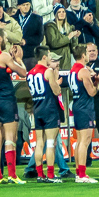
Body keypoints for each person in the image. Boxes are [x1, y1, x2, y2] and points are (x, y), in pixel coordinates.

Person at [0, 29, 28, 184]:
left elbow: (2, 69)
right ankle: (12, 174)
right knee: (11, 137)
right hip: (7, 99)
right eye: (5, 38)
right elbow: (23, 73)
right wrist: (17, 58)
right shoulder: (2, 56)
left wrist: (10, 58)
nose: (6, 40)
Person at [26, 46, 63, 183]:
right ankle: (51, 175)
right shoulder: (48, 71)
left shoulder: (30, 74)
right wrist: (57, 80)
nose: (50, 57)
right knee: (50, 143)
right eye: (48, 55)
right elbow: (57, 91)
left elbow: (31, 93)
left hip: (37, 108)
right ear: (44, 57)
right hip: (49, 109)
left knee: (39, 143)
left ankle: (40, 174)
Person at [68, 44, 99, 184]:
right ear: (83, 55)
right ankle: (82, 174)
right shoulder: (83, 71)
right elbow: (92, 92)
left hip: (77, 104)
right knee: (85, 141)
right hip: (85, 106)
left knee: (80, 141)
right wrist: (98, 82)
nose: (88, 55)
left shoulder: (72, 70)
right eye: (87, 52)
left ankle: (78, 172)